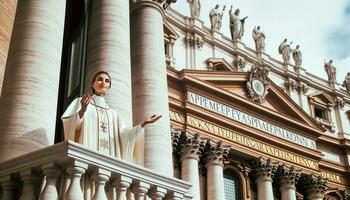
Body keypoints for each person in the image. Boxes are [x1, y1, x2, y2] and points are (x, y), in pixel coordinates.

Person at [61, 71, 161, 162]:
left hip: (108, 161)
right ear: (92, 84)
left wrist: (143, 124)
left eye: (107, 81)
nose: (103, 82)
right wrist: (82, 110)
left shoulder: (113, 114)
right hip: (87, 156)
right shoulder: (81, 102)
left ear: (109, 86)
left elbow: (124, 135)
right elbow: (72, 126)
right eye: (99, 79)